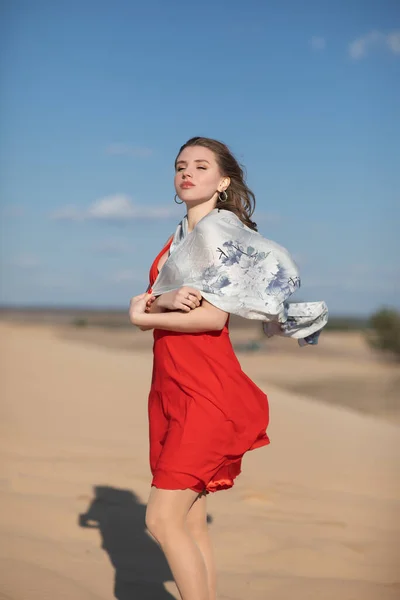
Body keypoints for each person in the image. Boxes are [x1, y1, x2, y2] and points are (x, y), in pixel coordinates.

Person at [128, 137, 325, 600]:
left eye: (200, 165)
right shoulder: (181, 237)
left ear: (224, 180)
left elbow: (213, 318)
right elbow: (167, 300)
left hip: (206, 390)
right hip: (171, 388)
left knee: (159, 519)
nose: (187, 172)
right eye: (180, 166)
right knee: (191, 521)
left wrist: (142, 315)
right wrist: (162, 300)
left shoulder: (219, 235)